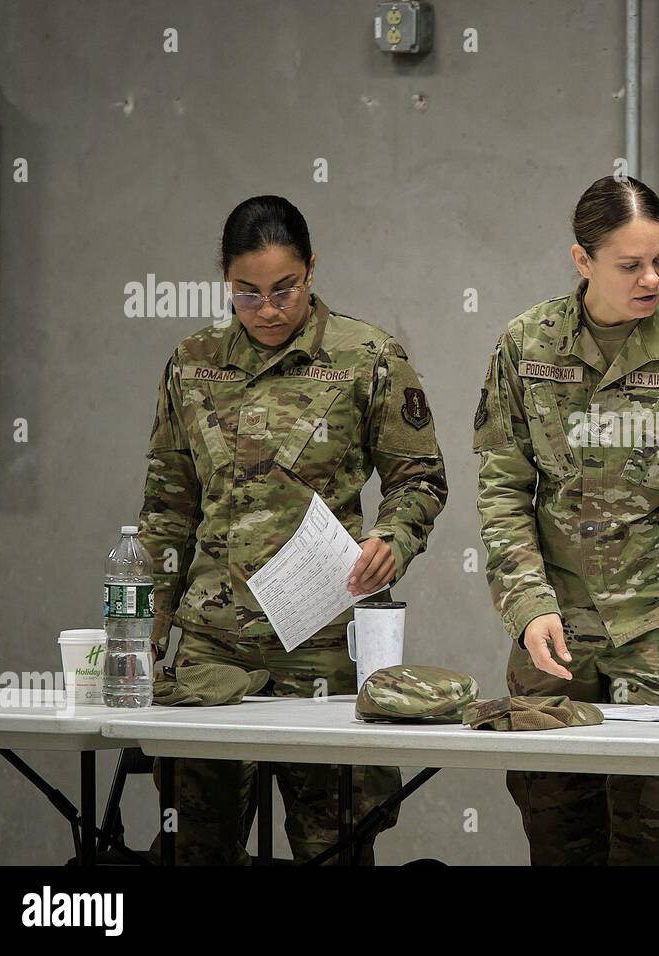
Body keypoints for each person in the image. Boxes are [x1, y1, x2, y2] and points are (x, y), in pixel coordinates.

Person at [139, 195, 447, 864]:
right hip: (214, 650)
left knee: (333, 843)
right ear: (224, 280)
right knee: (198, 845)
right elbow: (167, 509)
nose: (269, 309)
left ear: (312, 269)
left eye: (286, 288)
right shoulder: (192, 365)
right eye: (246, 294)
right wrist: (145, 632)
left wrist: (391, 540)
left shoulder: (367, 356)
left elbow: (420, 478)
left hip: (324, 641)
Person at [473, 176, 659, 865]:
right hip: (558, 635)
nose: (652, 278)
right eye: (630, 265)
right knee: (557, 836)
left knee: (657, 838)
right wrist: (526, 605)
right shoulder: (526, 346)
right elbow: (502, 488)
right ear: (583, 261)